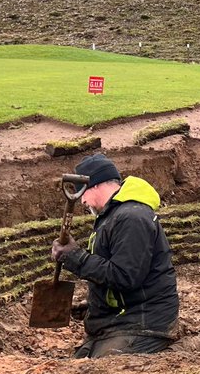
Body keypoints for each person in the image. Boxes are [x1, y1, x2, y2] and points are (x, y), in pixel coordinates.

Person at [51, 153, 179, 358]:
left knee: (98, 369)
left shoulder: (132, 218)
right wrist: (95, 305)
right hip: (120, 320)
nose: (82, 200)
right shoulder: (112, 216)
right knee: (76, 363)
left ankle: (183, 348)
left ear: (95, 186)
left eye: (82, 192)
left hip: (144, 324)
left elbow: (125, 276)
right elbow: (114, 267)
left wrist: (76, 258)